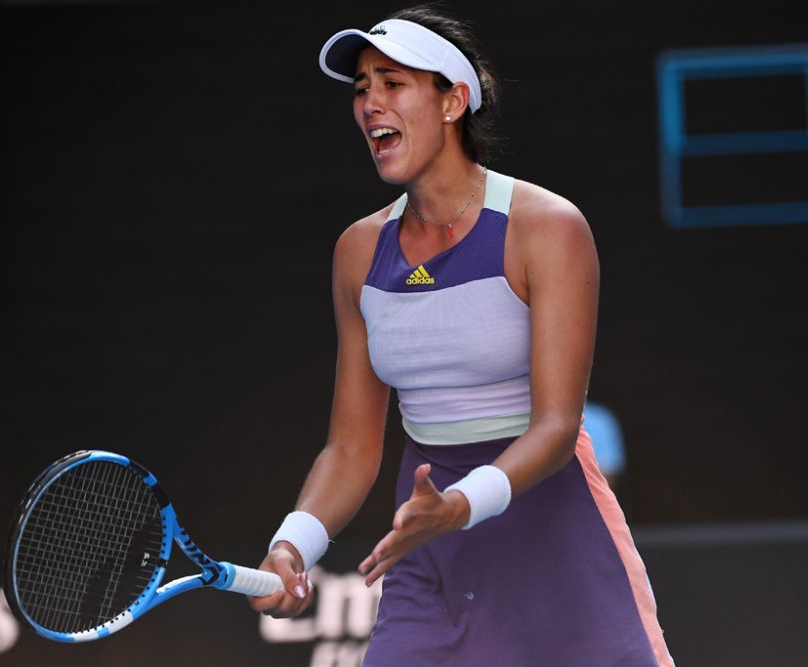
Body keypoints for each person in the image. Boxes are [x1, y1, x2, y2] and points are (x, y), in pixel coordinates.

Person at [250, 6, 674, 666]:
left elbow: (557, 425)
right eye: (362, 87)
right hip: (432, 559)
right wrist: (292, 544)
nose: (369, 103)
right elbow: (352, 444)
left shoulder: (546, 227)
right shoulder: (358, 252)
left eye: (392, 83)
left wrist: (460, 503)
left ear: (453, 102)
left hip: (557, 537)